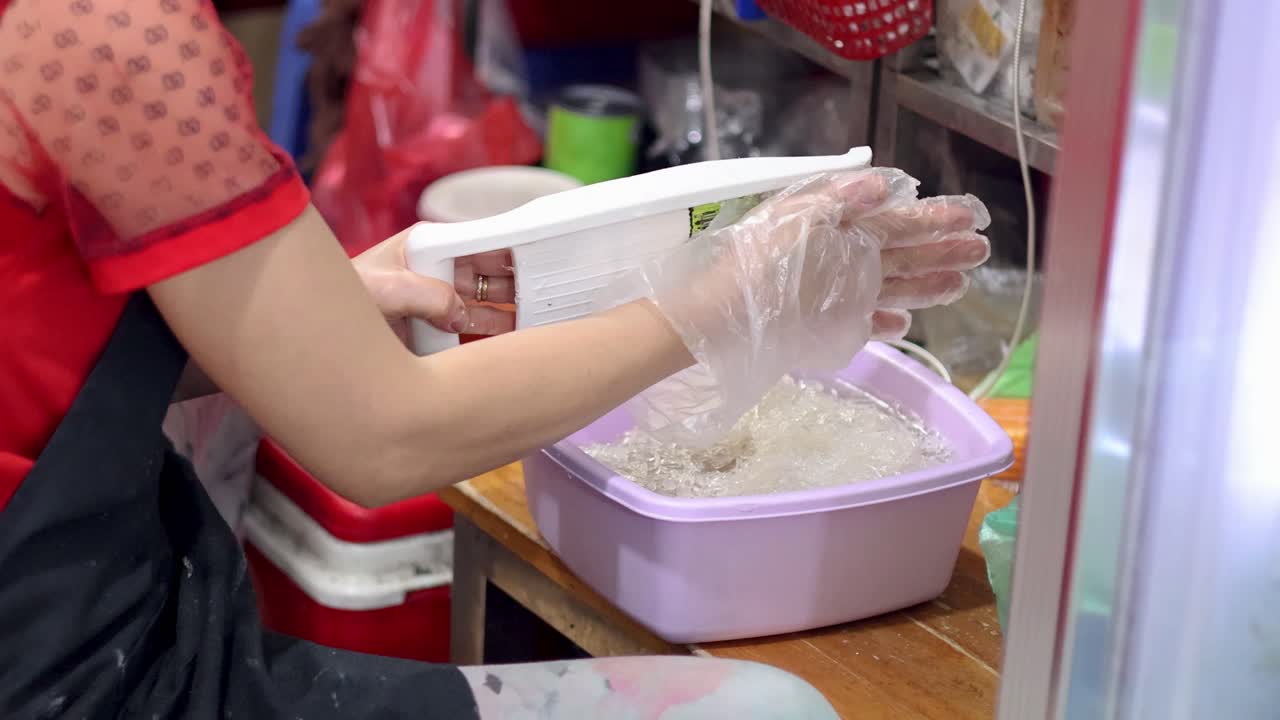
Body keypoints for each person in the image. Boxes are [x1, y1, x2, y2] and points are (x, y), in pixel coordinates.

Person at [0, 1, 992, 718]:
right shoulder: (102, 31)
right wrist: (722, 306)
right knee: (762, 710)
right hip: (74, 679)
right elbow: (384, 440)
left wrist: (308, 322)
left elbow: (38, 352)